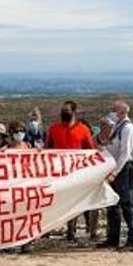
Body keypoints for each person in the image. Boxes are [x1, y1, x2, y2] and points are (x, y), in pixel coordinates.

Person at [46, 101, 97, 242]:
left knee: (74, 201)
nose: (64, 112)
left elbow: (90, 151)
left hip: (77, 173)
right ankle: (49, 228)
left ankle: (71, 230)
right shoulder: (54, 128)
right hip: (57, 172)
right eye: (63, 110)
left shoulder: (83, 129)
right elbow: (47, 149)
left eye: (67, 110)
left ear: (74, 112)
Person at [99, 100, 133, 251]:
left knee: (126, 204)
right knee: (113, 204)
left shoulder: (128, 128)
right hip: (115, 168)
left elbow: (125, 153)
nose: (111, 112)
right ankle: (113, 238)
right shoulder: (117, 126)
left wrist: (115, 173)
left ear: (122, 112)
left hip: (123, 169)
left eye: (114, 110)